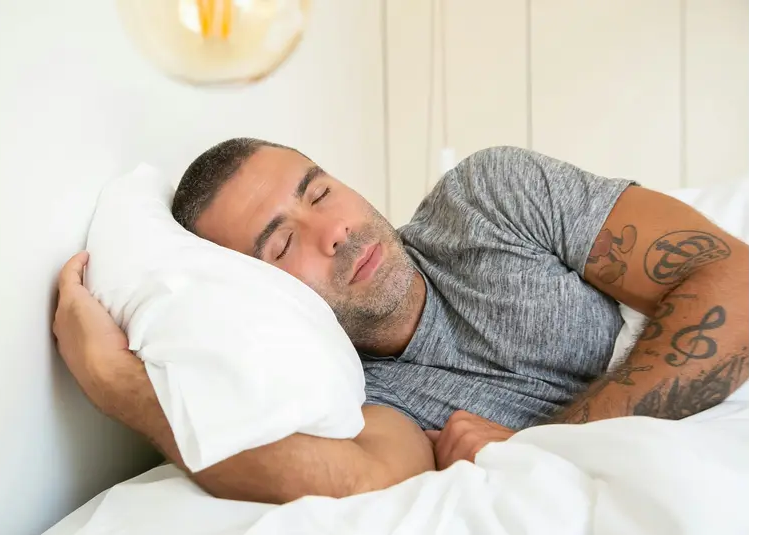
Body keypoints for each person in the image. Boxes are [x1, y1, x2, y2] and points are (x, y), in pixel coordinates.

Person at [53, 139, 749, 505]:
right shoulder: (364, 401)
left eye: (320, 191)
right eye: (281, 243)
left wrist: (547, 443)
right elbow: (357, 482)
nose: (333, 231)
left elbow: (737, 278)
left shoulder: (489, 197)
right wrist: (124, 388)